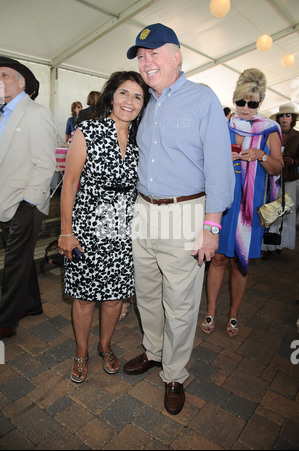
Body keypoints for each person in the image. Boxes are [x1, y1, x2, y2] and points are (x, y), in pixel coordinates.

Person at [123, 23, 235, 415]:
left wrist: (212, 226)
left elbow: (221, 167)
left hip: (186, 211)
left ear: (176, 55)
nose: (146, 61)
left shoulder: (202, 99)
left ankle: (174, 372)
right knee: (147, 293)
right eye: (141, 55)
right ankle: (153, 351)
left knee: (182, 301)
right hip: (144, 211)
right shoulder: (143, 104)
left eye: (153, 53)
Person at [58, 71, 149, 383]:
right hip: (88, 223)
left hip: (125, 226)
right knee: (84, 297)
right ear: (112, 96)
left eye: (137, 96)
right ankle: (81, 353)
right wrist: (66, 232)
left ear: (143, 104)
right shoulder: (89, 131)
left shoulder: (142, 138)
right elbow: (69, 183)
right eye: (124, 93)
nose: (130, 101)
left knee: (114, 297)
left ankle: (105, 346)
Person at [204, 68, 283, 338]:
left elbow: (277, 169)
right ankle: (211, 310)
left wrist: (261, 156)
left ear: (260, 102)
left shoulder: (269, 130)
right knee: (217, 259)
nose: (245, 108)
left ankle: (234, 314)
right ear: (234, 99)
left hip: (248, 208)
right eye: (240, 102)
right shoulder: (223, 126)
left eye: (252, 103)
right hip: (223, 203)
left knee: (239, 262)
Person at [0, 56, 56, 340]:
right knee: (20, 259)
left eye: (4, 74)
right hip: (4, 201)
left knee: (14, 262)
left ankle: (5, 320)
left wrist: (29, 204)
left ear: (22, 82)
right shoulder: (1, 114)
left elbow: (45, 164)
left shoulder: (35, 112)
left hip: (25, 204)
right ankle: (32, 304)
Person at [261, 103, 299, 259]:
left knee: (287, 213)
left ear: (293, 118)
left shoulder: (298, 136)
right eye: (282, 115)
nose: (284, 118)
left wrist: (293, 162)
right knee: (271, 211)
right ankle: (268, 246)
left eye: (288, 115)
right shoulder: (271, 134)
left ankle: (281, 244)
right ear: (277, 118)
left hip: (289, 180)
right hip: (271, 179)